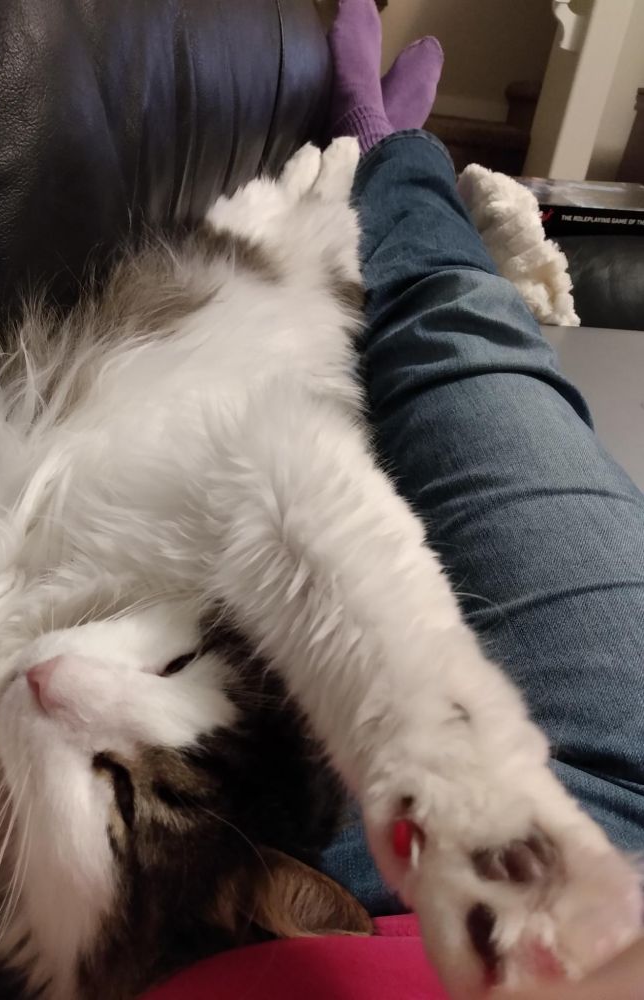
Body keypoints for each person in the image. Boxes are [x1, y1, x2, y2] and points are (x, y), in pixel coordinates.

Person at [317, 0, 644, 994]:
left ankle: (377, 148)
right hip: (620, 818)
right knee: (476, 336)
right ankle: (389, 148)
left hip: (361, 907)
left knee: (434, 352)